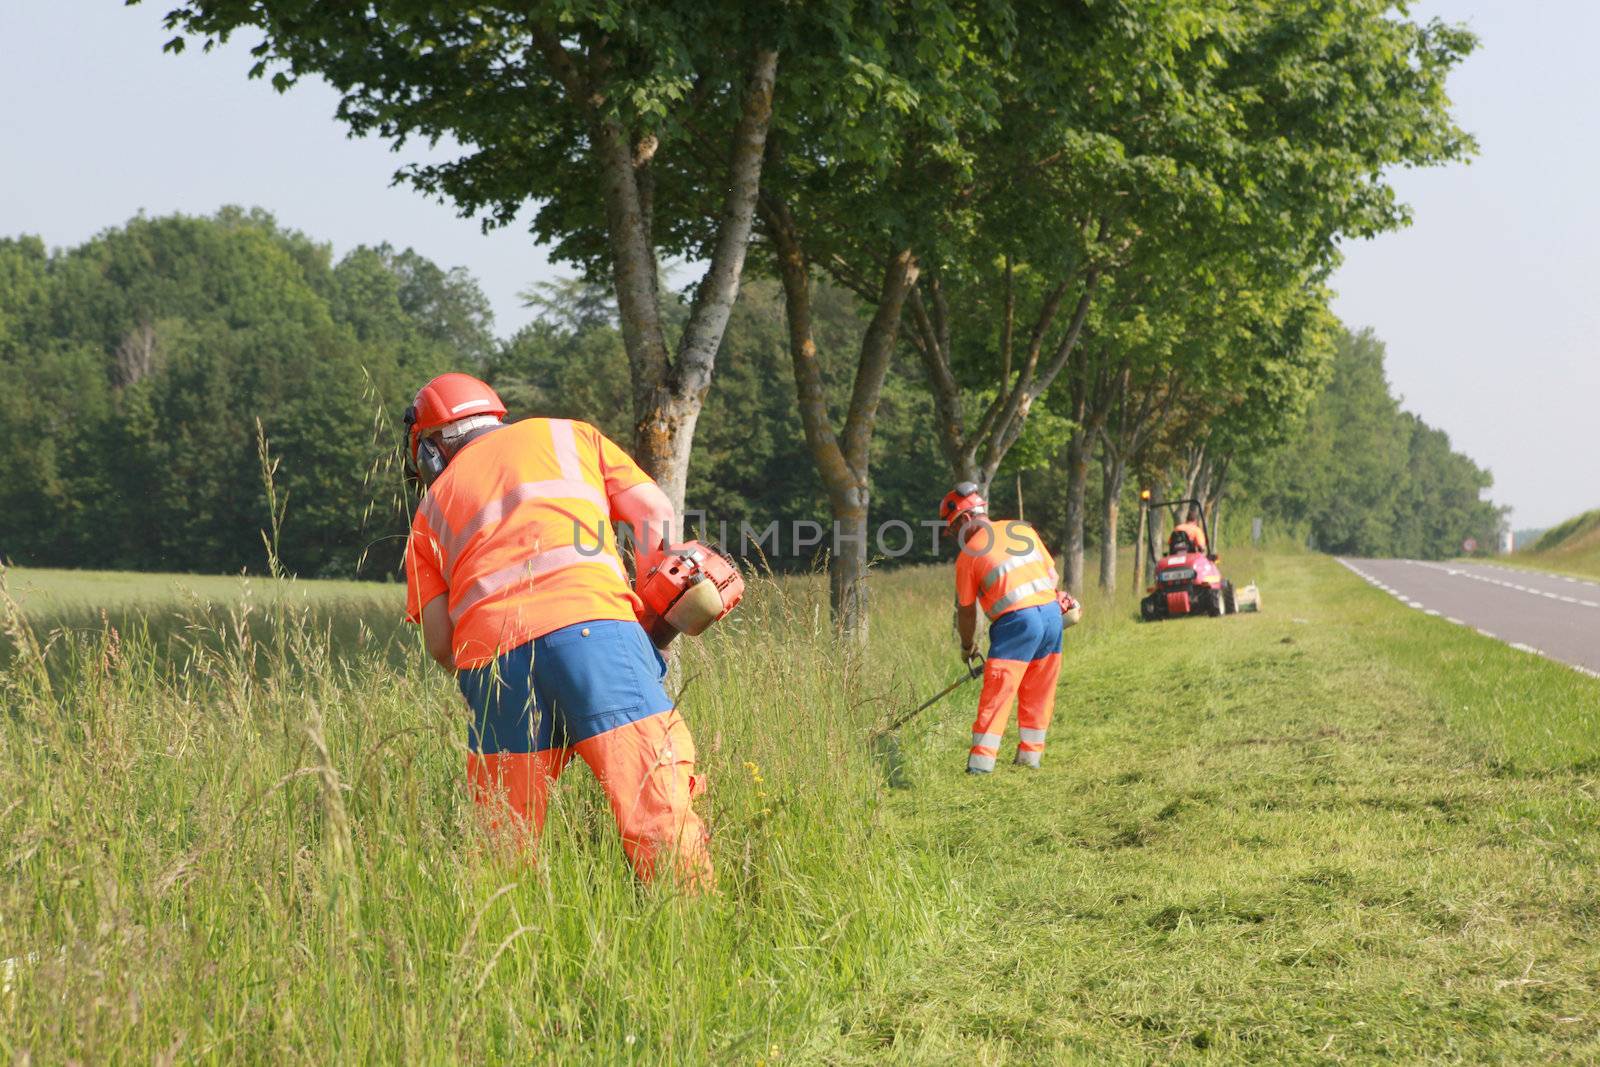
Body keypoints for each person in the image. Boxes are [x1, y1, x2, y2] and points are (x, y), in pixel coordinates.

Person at [401, 372, 713, 888]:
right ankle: (695, 934)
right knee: (654, 807)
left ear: (432, 450)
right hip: (597, 636)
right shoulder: (570, 435)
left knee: (503, 841)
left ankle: (504, 948)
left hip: (493, 664)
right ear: (494, 417)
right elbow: (654, 510)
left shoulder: (427, 514)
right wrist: (650, 614)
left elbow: (439, 641)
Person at [939, 482, 1064, 773]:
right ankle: (1030, 758)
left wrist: (968, 647)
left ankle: (980, 765)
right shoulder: (1022, 530)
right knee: (1038, 689)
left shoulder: (968, 556)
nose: (954, 536)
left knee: (998, 691)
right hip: (1051, 616)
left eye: (953, 528)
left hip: (1018, 622)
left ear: (967, 519)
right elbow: (1052, 575)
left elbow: (967, 611)